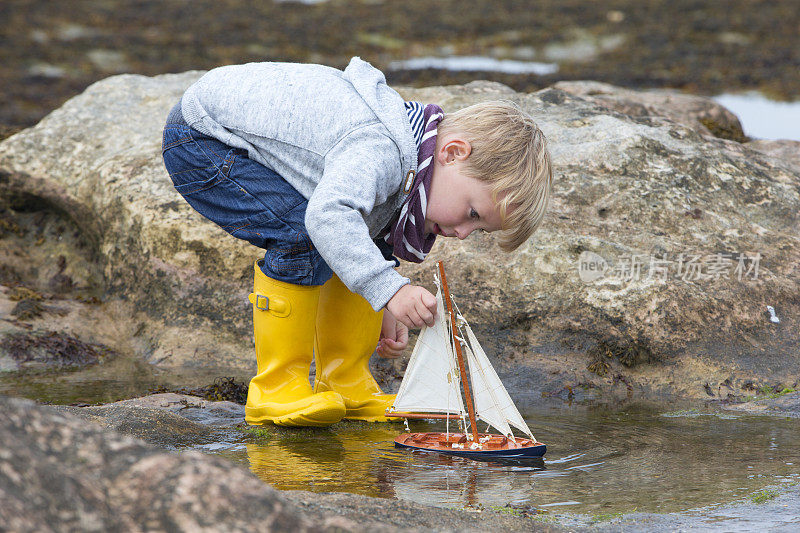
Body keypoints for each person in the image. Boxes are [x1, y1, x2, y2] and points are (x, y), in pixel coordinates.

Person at [161, 57, 552, 427]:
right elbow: (327, 216)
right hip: (205, 137)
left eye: (479, 230)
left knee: (366, 235)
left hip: (235, 140)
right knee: (302, 234)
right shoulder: (382, 150)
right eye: (472, 214)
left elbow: (358, 237)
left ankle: (345, 382)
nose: (463, 234)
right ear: (452, 154)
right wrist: (387, 289)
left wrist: (380, 302)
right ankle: (276, 388)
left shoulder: (412, 162)